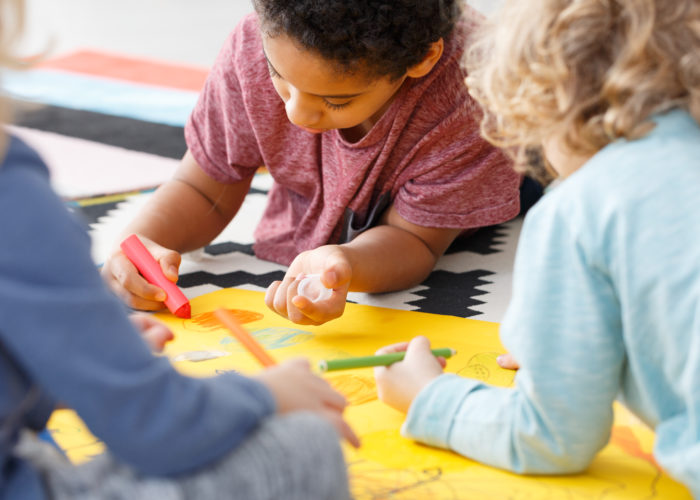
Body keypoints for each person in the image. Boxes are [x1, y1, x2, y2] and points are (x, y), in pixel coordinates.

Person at [0, 3, 357, 499]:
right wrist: (267, 394)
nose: (296, 113)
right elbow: (156, 429)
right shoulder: (15, 204)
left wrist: (89, 350)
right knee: (308, 444)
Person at [373, 0, 700, 495]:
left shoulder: (579, 205)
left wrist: (431, 397)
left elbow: (551, 436)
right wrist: (579, 345)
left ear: (546, 103)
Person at [101, 0, 531, 326]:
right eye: (278, 77)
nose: (297, 116)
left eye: (336, 100)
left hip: (502, 173)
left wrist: (347, 265)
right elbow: (203, 186)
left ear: (421, 60)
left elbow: (415, 241)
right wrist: (142, 241)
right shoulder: (257, 42)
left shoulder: (474, 92)